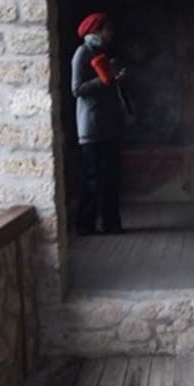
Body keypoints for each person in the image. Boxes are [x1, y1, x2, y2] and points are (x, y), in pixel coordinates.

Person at [71, 12, 126, 235]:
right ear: (96, 31)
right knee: (92, 178)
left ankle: (112, 224)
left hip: (109, 125)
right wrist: (103, 81)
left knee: (111, 177)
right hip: (91, 128)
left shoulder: (102, 52)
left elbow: (108, 84)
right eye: (107, 29)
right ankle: (85, 226)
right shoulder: (82, 53)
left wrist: (114, 79)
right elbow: (77, 89)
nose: (111, 33)